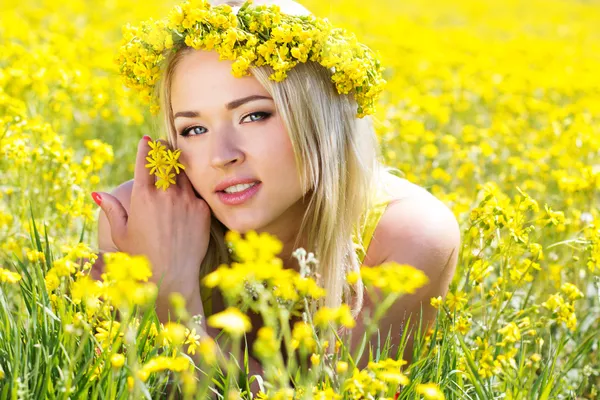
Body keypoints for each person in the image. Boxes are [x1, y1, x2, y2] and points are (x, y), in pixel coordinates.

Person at [91, 0, 459, 381]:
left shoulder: (408, 233)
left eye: (254, 115)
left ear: (318, 117)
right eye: (193, 129)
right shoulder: (140, 220)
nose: (221, 157)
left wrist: (173, 299)